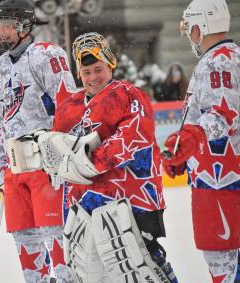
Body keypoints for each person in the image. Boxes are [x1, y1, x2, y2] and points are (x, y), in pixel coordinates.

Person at [34, 32, 177, 282]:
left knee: (141, 267)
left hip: (132, 199)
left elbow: (134, 137)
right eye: (86, 72)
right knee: (90, 274)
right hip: (83, 204)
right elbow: (59, 150)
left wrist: (88, 161)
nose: (93, 77)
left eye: (98, 69)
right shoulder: (69, 106)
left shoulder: (129, 94)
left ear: (110, 65)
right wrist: (40, 148)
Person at [162, 0, 240, 282]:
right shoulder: (237, 56)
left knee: (220, 258)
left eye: (189, 28)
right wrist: (187, 152)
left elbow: (221, 116)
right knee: (226, 254)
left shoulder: (219, 61)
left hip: (221, 172)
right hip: (228, 168)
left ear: (200, 27)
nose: (188, 35)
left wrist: (189, 141)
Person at [0, 0, 77, 282]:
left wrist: (63, 153)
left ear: (24, 26)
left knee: (55, 232)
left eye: (6, 26)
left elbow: (67, 106)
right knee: (24, 236)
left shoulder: (46, 54)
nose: (0, 33)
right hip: (14, 167)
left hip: (46, 164)